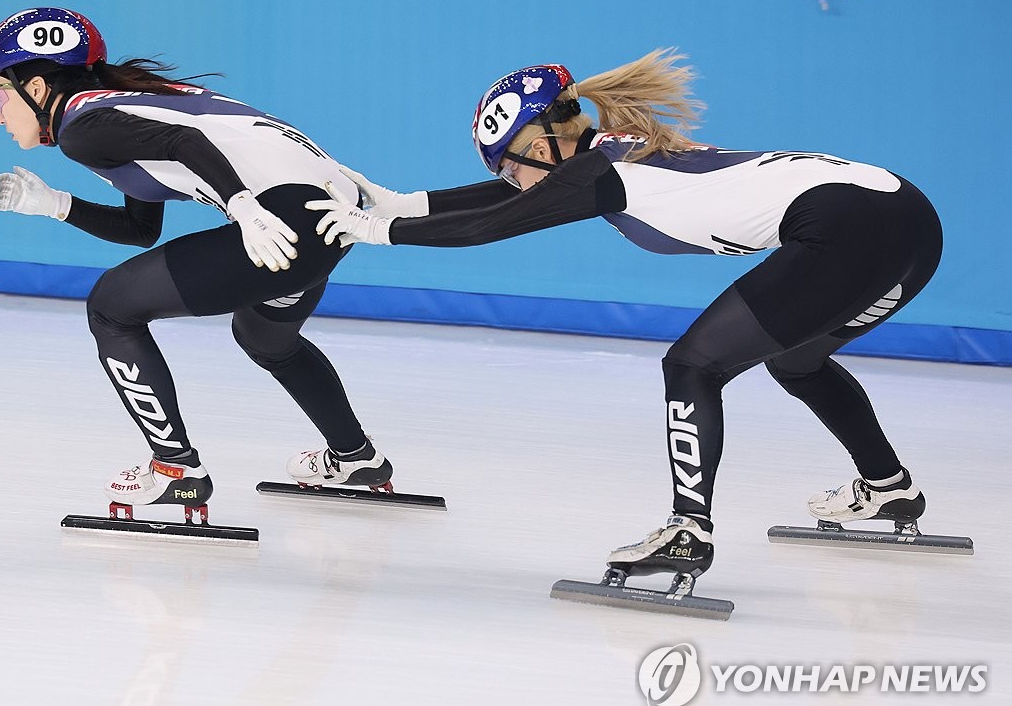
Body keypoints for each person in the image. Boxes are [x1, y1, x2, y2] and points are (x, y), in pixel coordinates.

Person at [306, 49, 942, 586]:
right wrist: (402, 201)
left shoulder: (602, 168)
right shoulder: (607, 155)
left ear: (548, 141)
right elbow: (505, 200)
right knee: (797, 360)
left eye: (512, 162)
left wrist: (380, 230)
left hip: (850, 229)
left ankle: (688, 531)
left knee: (693, 365)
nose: (512, 177)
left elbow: (490, 224)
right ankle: (889, 488)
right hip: (905, 219)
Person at [0, 7, 396, 510]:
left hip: (280, 219)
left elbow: (185, 141)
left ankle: (175, 467)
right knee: (266, 337)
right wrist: (55, 205)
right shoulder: (124, 107)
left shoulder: (84, 127)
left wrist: (244, 208)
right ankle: (355, 457)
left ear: (38, 88)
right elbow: (140, 229)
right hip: (327, 222)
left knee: (111, 306)